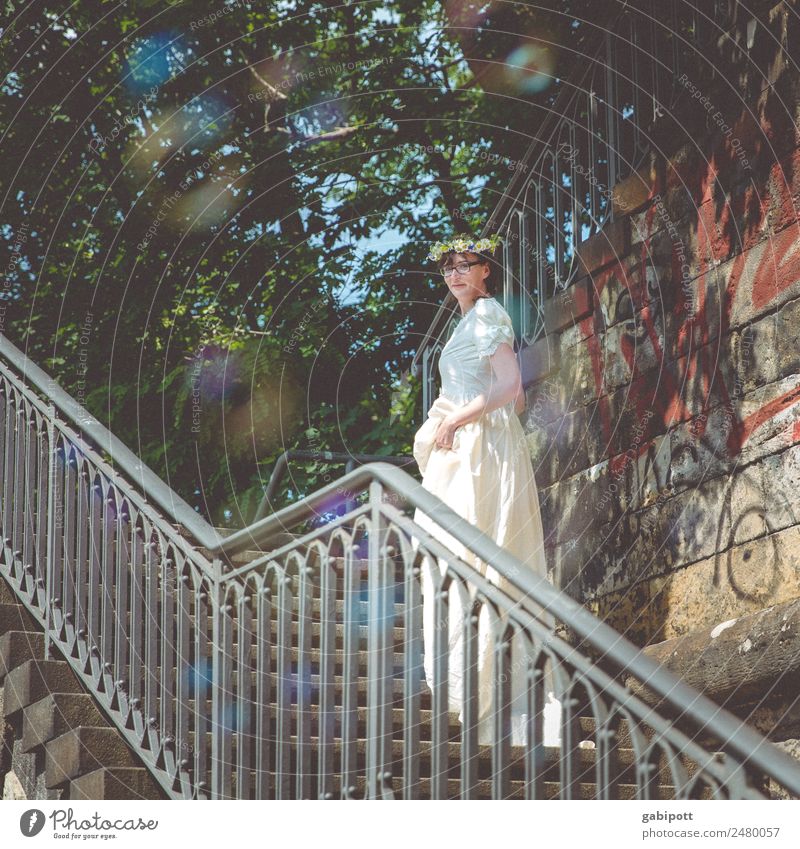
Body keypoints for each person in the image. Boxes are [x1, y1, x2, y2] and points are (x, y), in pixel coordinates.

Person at [411, 232, 561, 748]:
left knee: (480, 557)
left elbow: (511, 387)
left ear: (485, 272)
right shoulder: (468, 322)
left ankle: (494, 692)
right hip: (470, 443)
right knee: (452, 557)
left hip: (478, 446)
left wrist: (461, 421)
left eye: (463, 265)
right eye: (446, 268)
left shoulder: (491, 313)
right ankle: (468, 686)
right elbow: (510, 404)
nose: (453, 274)